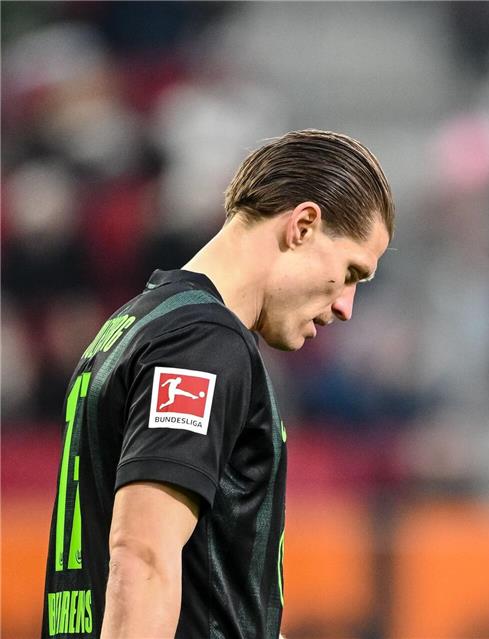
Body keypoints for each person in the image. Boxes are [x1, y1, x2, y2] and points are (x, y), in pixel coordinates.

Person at [40, 129, 394, 638]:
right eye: (351, 272)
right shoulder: (201, 344)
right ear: (304, 226)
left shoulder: (132, 326)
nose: (345, 306)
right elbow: (143, 555)